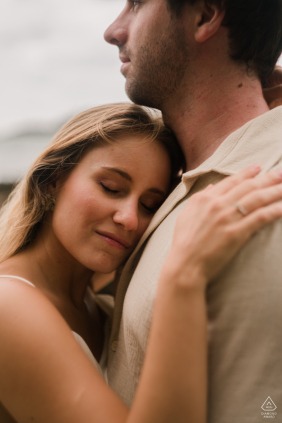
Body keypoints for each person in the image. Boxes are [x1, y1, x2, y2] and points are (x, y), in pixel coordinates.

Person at [1, 102, 282, 423]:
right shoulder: (9, 306)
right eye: (111, 187)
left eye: (150, 205)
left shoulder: (99, 304)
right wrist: (183, 276)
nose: (130, 219)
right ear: (53, 180)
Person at [103, 1, 282, 421]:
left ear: (203, 16)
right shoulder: (173, 184)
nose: (113, 30)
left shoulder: (263, 197)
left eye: (137, 5)